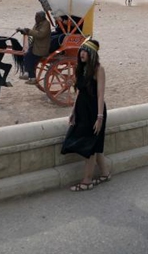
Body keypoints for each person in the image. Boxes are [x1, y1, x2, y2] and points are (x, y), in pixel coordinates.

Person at [64, 38, 111, 191]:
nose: (82, 54)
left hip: (94, 111)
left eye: (85, 52)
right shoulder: (81, 68)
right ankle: (105, 174)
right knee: (95, 145)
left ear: (92, 54)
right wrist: (73, 112)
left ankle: (87, 180)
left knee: (89, 146)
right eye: (81, 51)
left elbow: (100, 95)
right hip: (82, 110)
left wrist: (99, 117)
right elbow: (79, 92)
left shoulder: (99, 70)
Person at [17, 11, 51, 85]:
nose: (35, 18)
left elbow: (40, 34)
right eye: (35, 17)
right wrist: (23, 31)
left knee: (29, 57)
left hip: (41, 48)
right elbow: (33, 32)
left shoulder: (46, 24)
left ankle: (29, 75)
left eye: (37, 17)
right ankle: (30, 76)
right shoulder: (39, 23)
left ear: (42, 17)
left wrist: (28, 31)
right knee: (28, 56)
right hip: (35, 45)